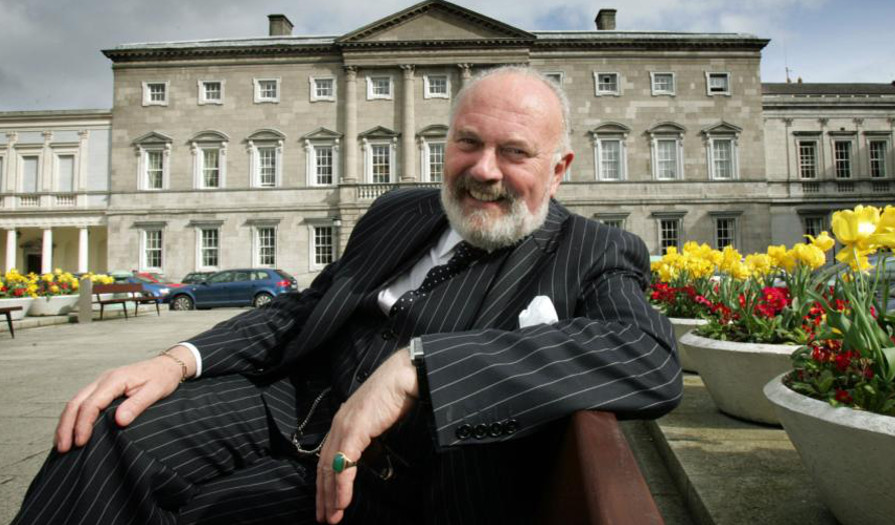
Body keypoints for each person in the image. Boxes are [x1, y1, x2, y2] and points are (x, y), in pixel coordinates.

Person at [14, 66, 682, 525]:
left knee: (198, 510)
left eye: (514, 152)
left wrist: (420, 368)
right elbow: (309, 306)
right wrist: (175, 359)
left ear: (558, 168)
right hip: (283, 403)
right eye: (467, 143)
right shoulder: (400, 210)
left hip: (385, 475)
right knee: (107, 428)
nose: (484, 171)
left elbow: (647, 354)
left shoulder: (592, 249)